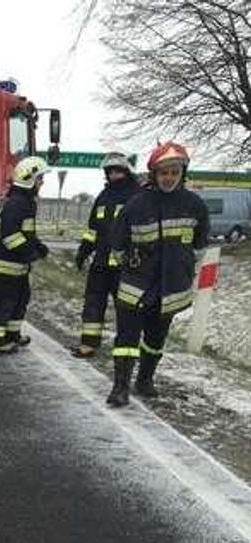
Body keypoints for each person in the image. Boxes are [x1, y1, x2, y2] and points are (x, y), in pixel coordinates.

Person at [105, 141, 209, 407]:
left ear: (182, 173)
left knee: (155, 338)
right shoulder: (137, 204)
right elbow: (117, 243)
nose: (169, 177)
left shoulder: (195, 205)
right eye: (164, 172)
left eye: (174, 172)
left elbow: (199, 246)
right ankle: (120, 387)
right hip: (135, 284)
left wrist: (182, 269)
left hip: (170, 287)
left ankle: (145, 380)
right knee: (127, 338)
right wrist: (130, 265)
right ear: (154, 174)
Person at [70, 152, 141, 358]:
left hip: (125, 266)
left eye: (118, 171)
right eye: (110, 172)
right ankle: (88, 344)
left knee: (126, 309)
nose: (114, 175)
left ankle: (125, 348)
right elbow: (93, 229)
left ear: (126, 171)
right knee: (93, 303)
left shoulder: (136, 196)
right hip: (100, 264)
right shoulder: (103, 197)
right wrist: (83, 251)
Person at [0, 156, 50, 353]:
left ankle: (11, 335)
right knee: (4, 302)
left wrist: (38, 245)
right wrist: (30, 253)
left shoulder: (26, 202)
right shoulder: (17, 203)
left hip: (18, 266)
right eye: (40, 178)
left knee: (20, 299)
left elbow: (26, 233)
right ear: (29, 179)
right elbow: (10, 236)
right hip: (6, 266)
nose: (42, 182)